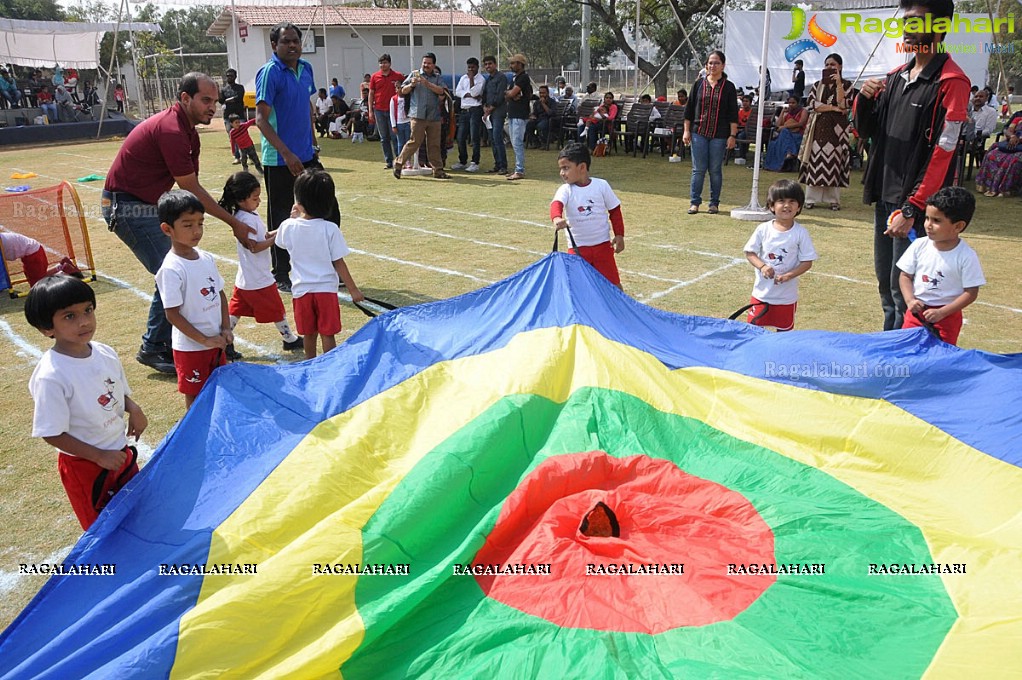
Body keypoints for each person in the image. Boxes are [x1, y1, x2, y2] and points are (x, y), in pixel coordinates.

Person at [102, 72, 255, 375]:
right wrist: (233, 223)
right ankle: (154, 347)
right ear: (185, 98)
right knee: (170, 273)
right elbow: (191, 188)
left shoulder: (189, 133)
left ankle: (204, 340)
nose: (213, 107)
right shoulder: (172, 130)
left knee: (183, 269)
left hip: (145, 204)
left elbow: (188, 192)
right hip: (128, 207)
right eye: (206, 100)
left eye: (215, 101)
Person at [854, 0, 970, 332]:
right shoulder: (894, 78)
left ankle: (905, 360)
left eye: (915, 21)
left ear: (940, 28)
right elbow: (865, 132)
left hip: (917, 207)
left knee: (908, 290)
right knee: (886, 286)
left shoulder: (952, 82)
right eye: (905, 21)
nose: (906, 27)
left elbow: (943, 152)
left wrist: (913, 207)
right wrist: (863, 98)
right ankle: (888, 349)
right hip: (886, 198)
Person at [26, 274, 147, 530]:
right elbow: (52, 433)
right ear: (47, 327)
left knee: (137, 516)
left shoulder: (105, 353)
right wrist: (98, 455)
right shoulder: (52, 375)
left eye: (88, 310)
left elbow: (115, 391)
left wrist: (133, 408)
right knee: (103, 531)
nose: (84, 321)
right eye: (69, 316)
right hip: (85, 466)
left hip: (120, 454)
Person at [255, 22, 339, 294]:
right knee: (281, 216)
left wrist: (313, 142)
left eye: (296, 41)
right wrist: (286, 153)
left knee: (328, 210)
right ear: (274, 46)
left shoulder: (306, 69)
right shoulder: (269, 73)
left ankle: (324, 265)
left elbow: (305, 105)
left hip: (306, 155)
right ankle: (281, 273)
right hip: (280, 159)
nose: (292, 45)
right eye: (286, 41)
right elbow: (260, 120)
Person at [275, 170, 364, 359]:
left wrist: (293, 218)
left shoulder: (288, 226)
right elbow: (339, 262)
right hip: (326, 290)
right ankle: (328, 365)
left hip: (301, 290)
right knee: (327, 333)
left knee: (309, 333)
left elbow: (280, 242)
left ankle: (310, 363)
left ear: (298, 202)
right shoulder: (330, 229)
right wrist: (354, 290)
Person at [154, 191, 230, 410]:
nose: (197, 231)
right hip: (191, 348)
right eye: (188, 225)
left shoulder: (206, 258)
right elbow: (172, 314)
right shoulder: (171, 269)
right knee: (196, 399)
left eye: (200, 223)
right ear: (167, 229)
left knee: (218, 391)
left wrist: (225, 328)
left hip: (216, 342)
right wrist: (203, 340)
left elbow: (220, 293)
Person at [217, 172, 303, 357]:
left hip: (247, 276)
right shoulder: (245, 219)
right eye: (255, 198)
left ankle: (223, 341)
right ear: (241, 199)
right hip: (258, 277)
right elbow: (254, 247)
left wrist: (284, 227)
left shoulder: (246, 215)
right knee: (276, 309)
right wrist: (276, 239)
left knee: (235, 310)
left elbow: (262, 236)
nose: (259, 201)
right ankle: (289, 339)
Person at [897, 186, 984, 345]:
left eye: (936, 221)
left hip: (946, 319)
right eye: (927, 218)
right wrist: (910, 300)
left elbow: (971, 292)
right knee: (907, 351)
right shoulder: (919, 245)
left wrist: (943, 312)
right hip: (916, 313)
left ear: (958, 226)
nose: (928, 225)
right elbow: (905, 276)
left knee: (940, 359)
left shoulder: (966, 256)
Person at [742, 179, 818, 331]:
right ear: (771, 206)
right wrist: (762, 266)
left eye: (792, 201)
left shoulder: (800, 233)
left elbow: (807, 262)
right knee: (753, 332)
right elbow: (750, 252)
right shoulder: (763, 229)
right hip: (762, 295)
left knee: (784, 335)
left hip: (786, 298)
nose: (786, 205)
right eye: (781, 201)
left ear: (799, 206)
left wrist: (789, 275)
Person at [550, 142, 625, 288]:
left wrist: (619, 235)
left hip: (603, 247)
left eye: (566, 168)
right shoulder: (565, 190)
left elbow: (615, 210)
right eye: (561, 169)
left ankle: (620, 309)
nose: (562, 173)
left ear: (582, 167)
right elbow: (556, 204)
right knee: (577, 287)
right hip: (577, 249)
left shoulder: (601, 186)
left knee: (614, 286)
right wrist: (557, 218)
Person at [683, 50, 739, 215]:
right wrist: (686, 131)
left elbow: (733, 113)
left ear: (723, 65)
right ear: (706, 65)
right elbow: (689, 110)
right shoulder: (698, 84)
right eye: (710, 63)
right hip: (698, 132)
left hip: (720, 135)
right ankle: (695, 202)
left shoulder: (729, 87)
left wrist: (732, 135)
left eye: (716, 63)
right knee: (698, 169)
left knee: (715, 169)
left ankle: (714, 203)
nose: (713, 66)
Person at [799, 54, 854, 210]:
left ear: (840, 66)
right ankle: (810, 199)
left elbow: (844, 104)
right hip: (818, 129)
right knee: (815, 163)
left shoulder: (847, 85)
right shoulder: (817, 85)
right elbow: (812, 104)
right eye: (827, 64)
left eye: (833, 64)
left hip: (837, 131)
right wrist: (833, 108)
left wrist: (838, 84)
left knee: (834, 163)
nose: (830, 67)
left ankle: (833, 201)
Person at [393, 53, 450, 180]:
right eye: (424, 62)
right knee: (414, 142)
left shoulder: (437, 77)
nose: (426, 65)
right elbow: (402, 91)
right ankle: (398, 164)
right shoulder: (414, 74)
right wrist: (411, 85)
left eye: (429, 63)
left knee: (434, 144)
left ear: (433, 65)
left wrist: (427, 84)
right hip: (417, 115)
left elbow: (442, 91)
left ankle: (438, 170)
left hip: (433, 115)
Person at [367, 54, 405, 170]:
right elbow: (371, 93)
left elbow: (404, 90)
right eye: (381, 63)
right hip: (379, 109)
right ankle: (388, 161)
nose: (383, 65)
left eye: (385, 63)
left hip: (394, 110)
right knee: (384, 138)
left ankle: (398, 160)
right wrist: (370, 110)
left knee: (395, 136)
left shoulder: (397, 76)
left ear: (390, 63)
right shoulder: (375, 77)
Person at [975, 109, 1022, 197]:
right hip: (1012, 143)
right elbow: (1007, 129)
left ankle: (1007, 189)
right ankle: (987, 186)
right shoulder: (1018, 117)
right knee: (992, 155)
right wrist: (1012, 136)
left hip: (1019, 147)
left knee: (1015, 160)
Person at [454, 57, 485, 171]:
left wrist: (471, 79)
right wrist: (468, 94)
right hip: (464, 110)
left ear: (477, 67)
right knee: (460, 137)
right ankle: (462, 161)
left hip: (475, 110)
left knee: (474, 137)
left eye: (473, 67)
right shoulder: (463, 78)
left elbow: (475, 92)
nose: (470, 70)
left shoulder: (481, 79)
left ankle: (475, 162)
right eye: (469, 67)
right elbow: (457, 92)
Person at [505, 54, 532, 181]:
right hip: (513, 113)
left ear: (520, 64)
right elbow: (507, 94)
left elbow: (511, 92)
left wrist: (511, 94)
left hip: (519, 114)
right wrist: (510, 94)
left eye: (514, 63)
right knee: (514, 142)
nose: (511, 65)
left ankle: (519, 170)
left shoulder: (523, 78)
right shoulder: (515, 78)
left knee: (517, 142)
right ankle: (518, 168)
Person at [763, 96, 808, 171]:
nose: (791, 104)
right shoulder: (788, 113)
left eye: (793, 103)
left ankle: (790, 152)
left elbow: (801, 123)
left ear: (798, 103)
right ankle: (772, 166)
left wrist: (785, 127)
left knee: (784, 131)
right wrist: (782, 112)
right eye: (789, 103)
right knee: (772, 144)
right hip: (786, 136)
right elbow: (778, 125)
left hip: (798, 135)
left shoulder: (803, 111)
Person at [482, 55, 509, 175]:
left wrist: (490, 109)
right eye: (486, 64)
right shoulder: (488, 79)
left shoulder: (501, 77)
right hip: (489, 113)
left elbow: (500, 96)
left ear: (495, 64)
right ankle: (497, 164)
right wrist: (485, 108)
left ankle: (503, 166)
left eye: (490, 64)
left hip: (498, 111)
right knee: (492, 139)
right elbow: (485, 94)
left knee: (497, 138)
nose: (488, 66)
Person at [219, 69, 246, 164]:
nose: (229, 77)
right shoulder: (223, 89)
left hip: (239, 116)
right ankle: (237, 157)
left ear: (235, 76)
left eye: (231, 75)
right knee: (232, 136)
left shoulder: (240, 87)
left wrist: (227, 100)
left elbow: (238, 97)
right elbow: (221, 100)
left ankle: (245, 155)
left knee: (242, 136)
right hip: (228, 116)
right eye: (227, 76)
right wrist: (226, 100)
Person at [526, 84, 555, 149]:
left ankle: (544, 143)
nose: (542, 95)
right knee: (528, 125)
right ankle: (536, 142)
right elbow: (535, 113)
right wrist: (532, 116)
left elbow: (551, 113)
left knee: (541, 126)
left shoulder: (552, 102)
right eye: (540, 93)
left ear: (547, 93)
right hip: (538, 119)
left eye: (543, 93)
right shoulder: (537, 102)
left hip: (548, 119)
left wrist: (543, 104)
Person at [390, 90, 411, 166]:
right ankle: (400, 160)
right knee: (400, 142)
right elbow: (391, 113)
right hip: (399, 123)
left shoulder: (408, 98)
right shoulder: (394, 99)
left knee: (408, 142)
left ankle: (408, 160)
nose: (399, 90)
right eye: (397, 88)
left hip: (408, 122)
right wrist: (393, 125)